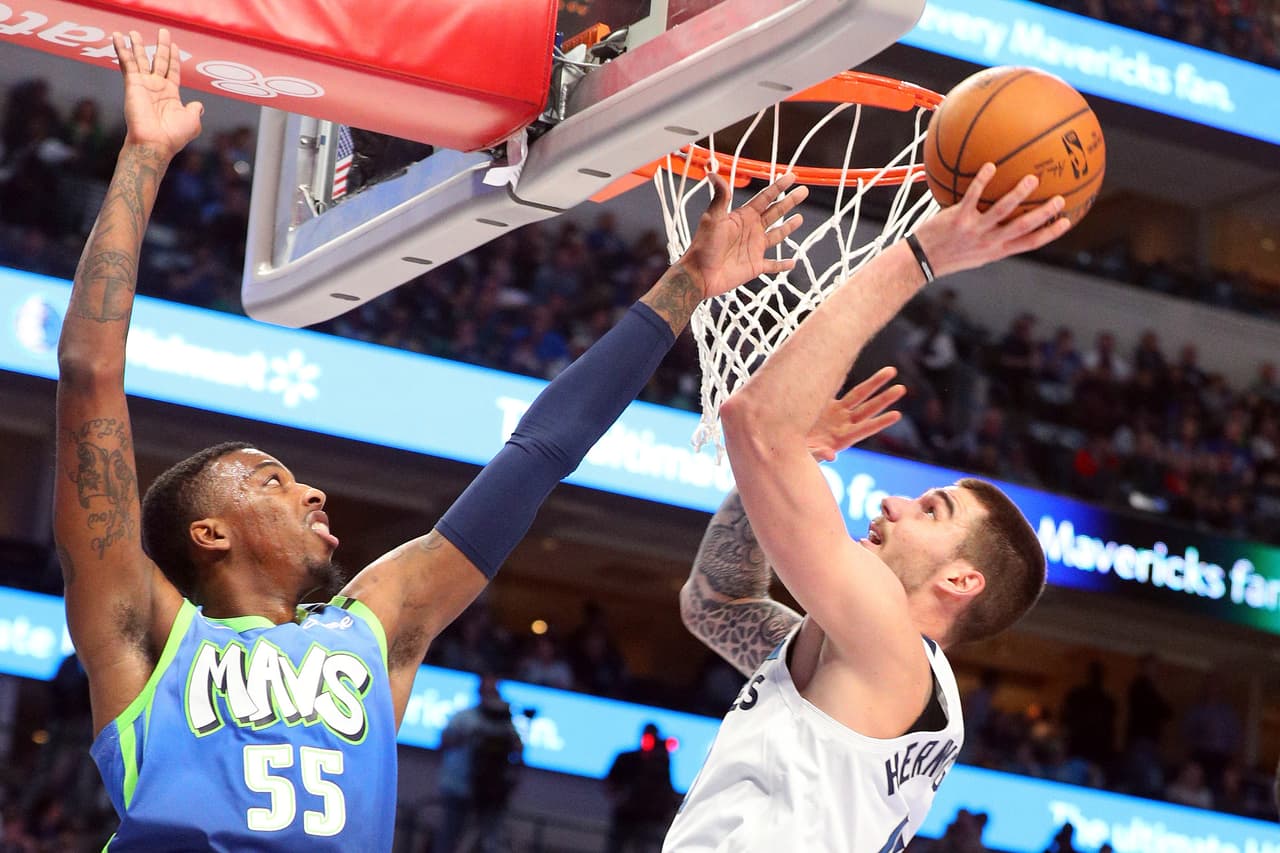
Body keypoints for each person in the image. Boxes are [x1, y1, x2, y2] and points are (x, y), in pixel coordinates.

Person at [52, 30, 806, 851]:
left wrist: (687, 283)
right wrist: (145, 154)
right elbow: (90, 372)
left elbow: (539, 453)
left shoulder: (372, 626)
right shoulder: (148, 635)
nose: (311, 491)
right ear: (209, 532)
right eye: (270, 480)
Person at [667, 163, 1067, 851]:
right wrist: (793, 458)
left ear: (960, 580)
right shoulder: (868, 662)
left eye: (933, 510)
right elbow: (717, 602)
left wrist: (922, 255)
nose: (893, 501)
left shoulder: (892, 650)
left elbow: (754, 422)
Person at [433, 673, 524, 853]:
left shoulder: (505, 724)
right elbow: (443, 743)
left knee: (490, 839)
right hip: (458, 785)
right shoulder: (464, 717)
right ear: (479, 692)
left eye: (493, 691)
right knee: (450, 835)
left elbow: (518, 749)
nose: (490, 695)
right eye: (486, 691)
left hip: (491, 789)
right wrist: (468, 737)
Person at [605, 723, 680, 853]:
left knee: (646, 848)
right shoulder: (626, 758)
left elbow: (666, 787)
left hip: (651, 817)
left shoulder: (661, 762)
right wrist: (622, 797)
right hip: (626, 814)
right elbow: (611, 782)